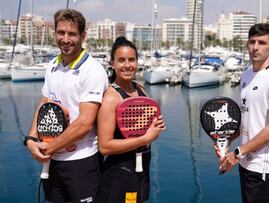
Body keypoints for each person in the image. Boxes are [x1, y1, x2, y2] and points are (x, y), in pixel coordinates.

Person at [23, 9, 108, 203]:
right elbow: (45, 103)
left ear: (83, 35)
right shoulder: (53, 64)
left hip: (81, 162)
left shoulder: (92, 71)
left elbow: (84, 124)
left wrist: (49, 148)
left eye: (72, 34)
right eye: (61, 33)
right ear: (55, 33)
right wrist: (31, 138)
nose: (66, 39)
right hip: (53, 161)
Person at [218, 23, 269, 203]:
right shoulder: (246, 75)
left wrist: (236, 153)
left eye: (261, 42)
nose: (255, 47)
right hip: (245, 163)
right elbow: (246, 118)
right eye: (252, 42)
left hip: (263, 168)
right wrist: (227, 140)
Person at [97, 36, 166, 203]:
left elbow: (145, 127)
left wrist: (156, 126)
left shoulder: (140, 88)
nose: (127, 65)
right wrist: (146, 138)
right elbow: (104, 147)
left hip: (142, 167)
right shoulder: (112, 97)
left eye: (131, 60)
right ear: (112, 63)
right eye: (121, 60)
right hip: (120, 173)